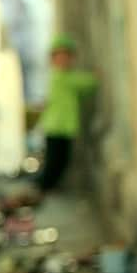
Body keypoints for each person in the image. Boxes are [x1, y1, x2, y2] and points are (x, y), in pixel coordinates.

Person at [38, 34, 98, 191]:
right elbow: (84, 84)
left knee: (60, 159)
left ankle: (46, 184)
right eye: (59, 57)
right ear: (53, 59)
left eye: (66, 56)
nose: (63, 61)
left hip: (61, 127)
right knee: (56, 160)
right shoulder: (61, 77)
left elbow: (80, 90)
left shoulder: (61, 77)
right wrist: (96, 77)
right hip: (57, 127)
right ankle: (44, 185)